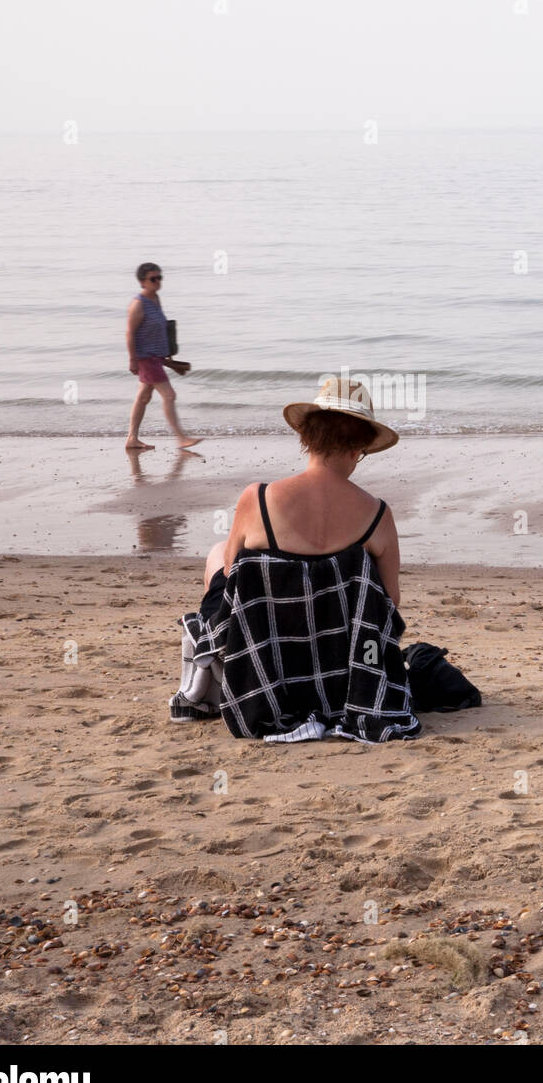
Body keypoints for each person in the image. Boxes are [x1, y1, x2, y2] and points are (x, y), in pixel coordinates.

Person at [171, 375, 420, 742]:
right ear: (358, 447)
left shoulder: (257, 499)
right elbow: (389, 603)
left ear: (307, 439)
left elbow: (232, 581)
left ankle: (204, 679)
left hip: (268, 663)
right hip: (343, 670)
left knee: (219, 559)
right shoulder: (377, 515)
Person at [125, 263, 201, 450]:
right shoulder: (138, 304)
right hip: (146, 359)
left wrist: (167, 355)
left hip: (156, 358)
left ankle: (131, 439)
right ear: (142, 281)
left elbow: (159, 329)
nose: (158, 282)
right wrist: (133, 359)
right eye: (153, 279)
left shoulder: (155, 299)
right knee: (169, 395)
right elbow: (130, 333)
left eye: (160, 277)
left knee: (143, 398)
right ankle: (180, 437)